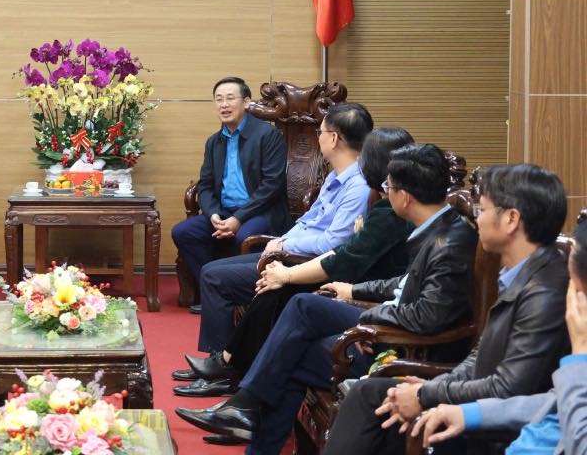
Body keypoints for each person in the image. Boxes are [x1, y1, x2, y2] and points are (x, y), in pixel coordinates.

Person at [176, 143, 478, 454]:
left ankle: (247, 406)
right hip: (395, 324)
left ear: (405, 196)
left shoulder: (448, 245)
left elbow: (425, 317)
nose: (385, 192)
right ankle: (247, 412)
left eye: (389, 186)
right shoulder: (439, 228)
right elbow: (404, 283)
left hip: (409, 347)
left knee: (301, 319)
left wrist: (369, 319)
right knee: (299, 330)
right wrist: (353, 291)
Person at [325, 163, 571, 455]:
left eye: (483, 210)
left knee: (374, 402)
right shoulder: (520, 273)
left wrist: (426, 394)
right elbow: (481, 356)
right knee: (375, 396)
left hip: (500, 429)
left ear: (511, 219)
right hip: (477, 404)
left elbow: (508, 387)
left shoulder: (544, 291)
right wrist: (435, 386)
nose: (477, 220)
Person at [175, 126, 417, 398]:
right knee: (260, 285)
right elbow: (321, 229)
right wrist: (281, 248)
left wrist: (287, 271)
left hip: (347, 283)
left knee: (277, 293)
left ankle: (231, 374)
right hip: (343, 277)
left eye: (322, 131)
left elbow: (341, 251)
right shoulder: (375, 198)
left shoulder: (385, 208)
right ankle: (229, 371)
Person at [410, 218, 587, 455]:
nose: (572, 308)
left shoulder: (544, 292)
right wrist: (467, 413)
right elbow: (555, 404)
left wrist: (581, 354)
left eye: (575, 293)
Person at [171, 77, 289, 299]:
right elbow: (205, 185)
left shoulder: (267, 135)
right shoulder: (214, 141)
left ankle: (247, 296)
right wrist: (213, 213)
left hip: (261, 211)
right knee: (183, 232)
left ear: (246, 102)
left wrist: (239, 219)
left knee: (245, 235)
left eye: (230, 98)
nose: (224, 105)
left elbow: (272, 185)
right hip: (225, 212)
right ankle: (215, 291)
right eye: (219, 100)